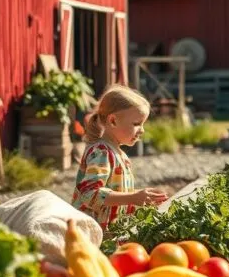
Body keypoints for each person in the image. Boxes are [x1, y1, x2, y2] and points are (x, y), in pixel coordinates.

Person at [71, 86, 166, 228]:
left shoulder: (120, 155)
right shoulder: (101, 152)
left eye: (143, 124)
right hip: (91, 233)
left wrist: (141, 197)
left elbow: (115, 194)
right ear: (113, 121)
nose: (142, 130)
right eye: (136, 124)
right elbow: (89, 194)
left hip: (110, 233)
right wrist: (133, 197)